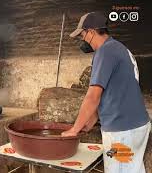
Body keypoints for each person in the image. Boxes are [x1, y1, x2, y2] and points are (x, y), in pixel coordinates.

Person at [62, 12, 151, 173]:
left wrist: (74, 129)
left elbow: (93, 96)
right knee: (133, 169)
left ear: (91, 32)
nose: (82, 40)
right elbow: (114, 91)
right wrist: (91, 120)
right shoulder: (119, 48)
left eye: (82, 35)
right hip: (136, 126)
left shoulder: (105, 52)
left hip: (122, 132)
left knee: (119, 169)